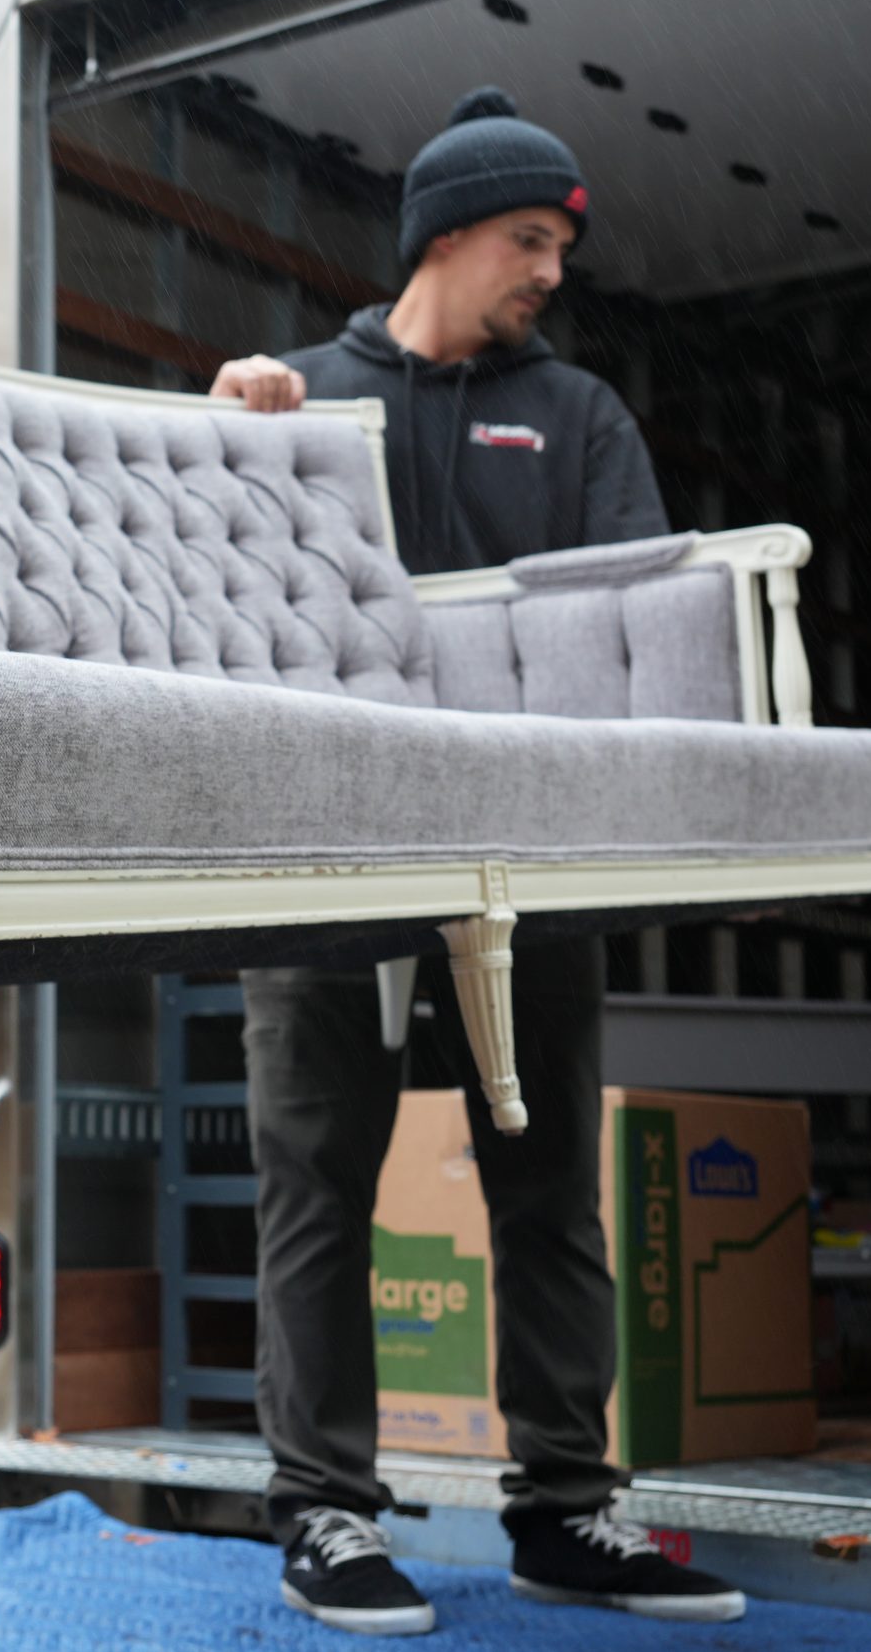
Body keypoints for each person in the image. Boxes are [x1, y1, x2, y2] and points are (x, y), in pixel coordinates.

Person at [208, 88, 745, 1634]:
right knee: (318, 1180)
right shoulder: (289, 395)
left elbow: (638, 607)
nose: (552, 272)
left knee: (548, 1182)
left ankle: (568, 1510)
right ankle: (325, 1511)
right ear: (446, 235)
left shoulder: (576, 415)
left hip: (530, 858)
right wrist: (228, 436)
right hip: (332, 860)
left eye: (561, 245)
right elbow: (225, 610)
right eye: (530, 238)